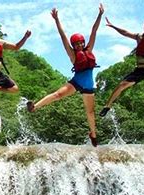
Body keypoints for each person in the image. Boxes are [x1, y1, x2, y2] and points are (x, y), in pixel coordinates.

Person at [27, 4, 104, 147]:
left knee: (90, 112)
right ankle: (34, 107)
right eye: (77, 44)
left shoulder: (89, 48)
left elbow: (94, 31)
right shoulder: (72, 54)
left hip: (88, 85)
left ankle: (93, 134)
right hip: (76, 81)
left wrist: (99, 15)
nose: (80, 45)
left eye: (81, 43)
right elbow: (63, 36)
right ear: (73, 45)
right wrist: (56, 20)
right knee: (57, 95)